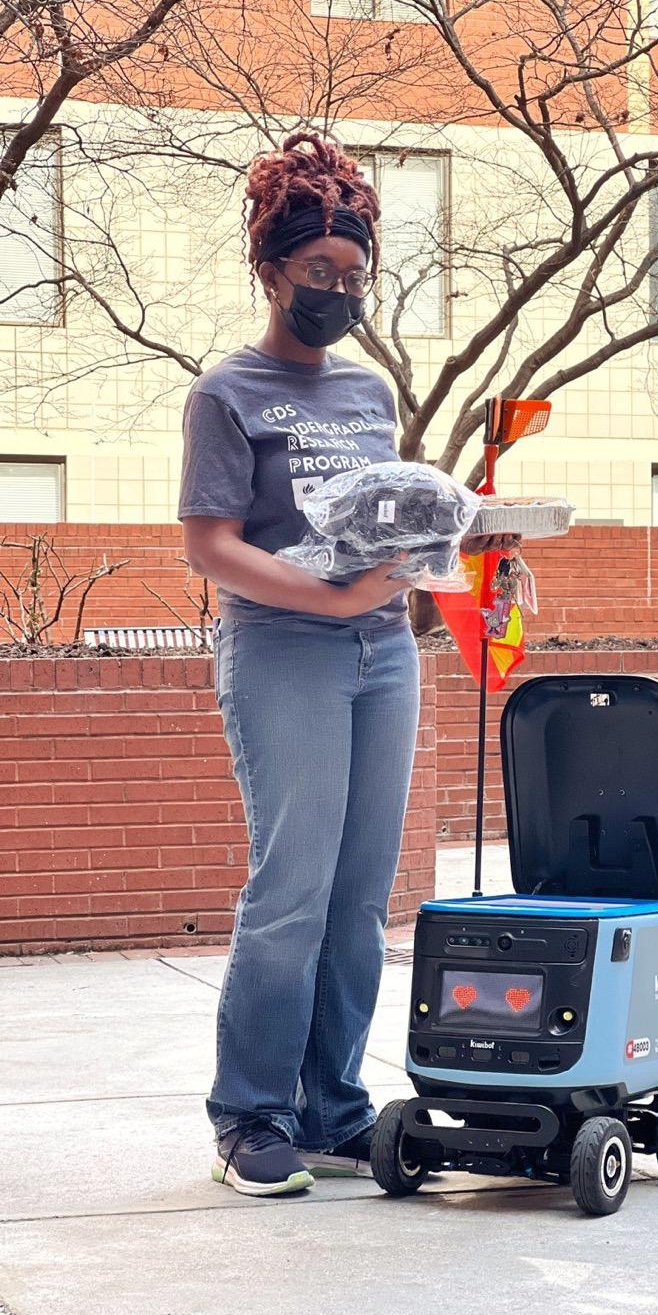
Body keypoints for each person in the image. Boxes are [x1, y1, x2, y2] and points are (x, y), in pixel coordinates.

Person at [178, 133, 512, 1197]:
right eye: (319, 272)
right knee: (293, 887)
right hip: (285, 649)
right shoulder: (226, 392)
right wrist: (324, 595)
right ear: (271, 271)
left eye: (354, 275)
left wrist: (448, 553)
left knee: (364, 895)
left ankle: (330, 1105)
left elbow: (381, 516)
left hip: (382, 649)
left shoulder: (368, 391)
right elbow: (211, 544)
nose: (337, 290)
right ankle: (251, 1115)